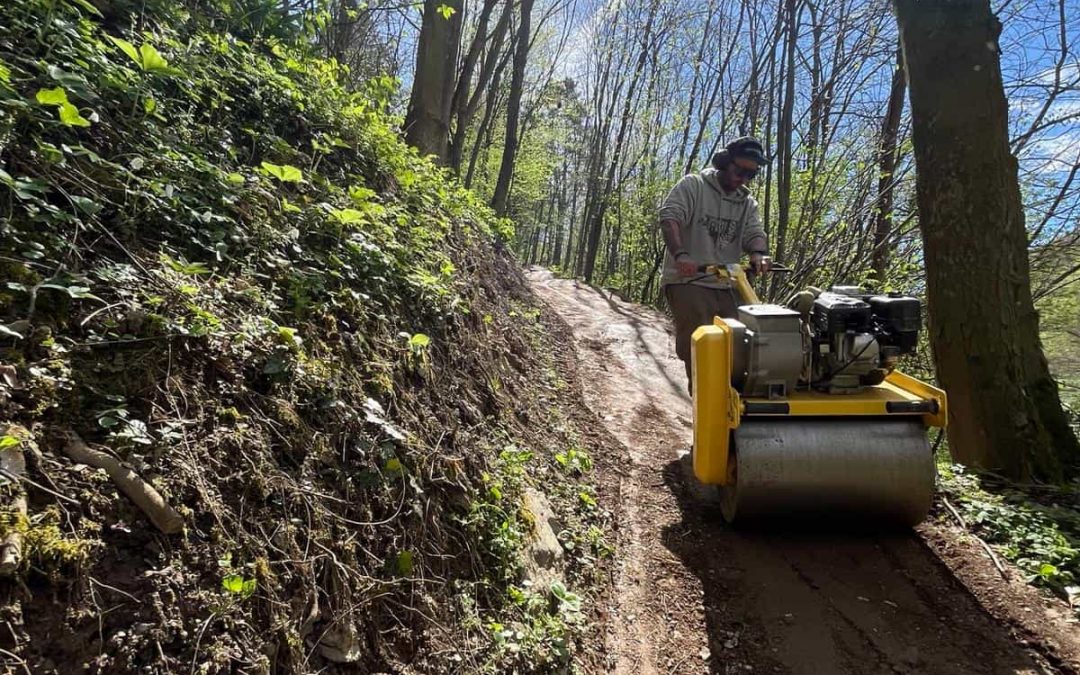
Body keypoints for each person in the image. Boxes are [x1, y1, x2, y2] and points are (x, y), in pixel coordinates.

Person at [658, 136, 772, 391]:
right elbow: (670, 218)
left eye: (749, 174)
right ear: (723, 162)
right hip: (689, 279)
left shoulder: (746, 202)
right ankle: (703, 401)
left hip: (728, 282)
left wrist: (758, 254)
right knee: (703, 342)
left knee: (746, 340)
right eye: (738, 169)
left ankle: (738, 405)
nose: (742, 178)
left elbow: (754, 233)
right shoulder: (694, 186)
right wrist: (681, 255)